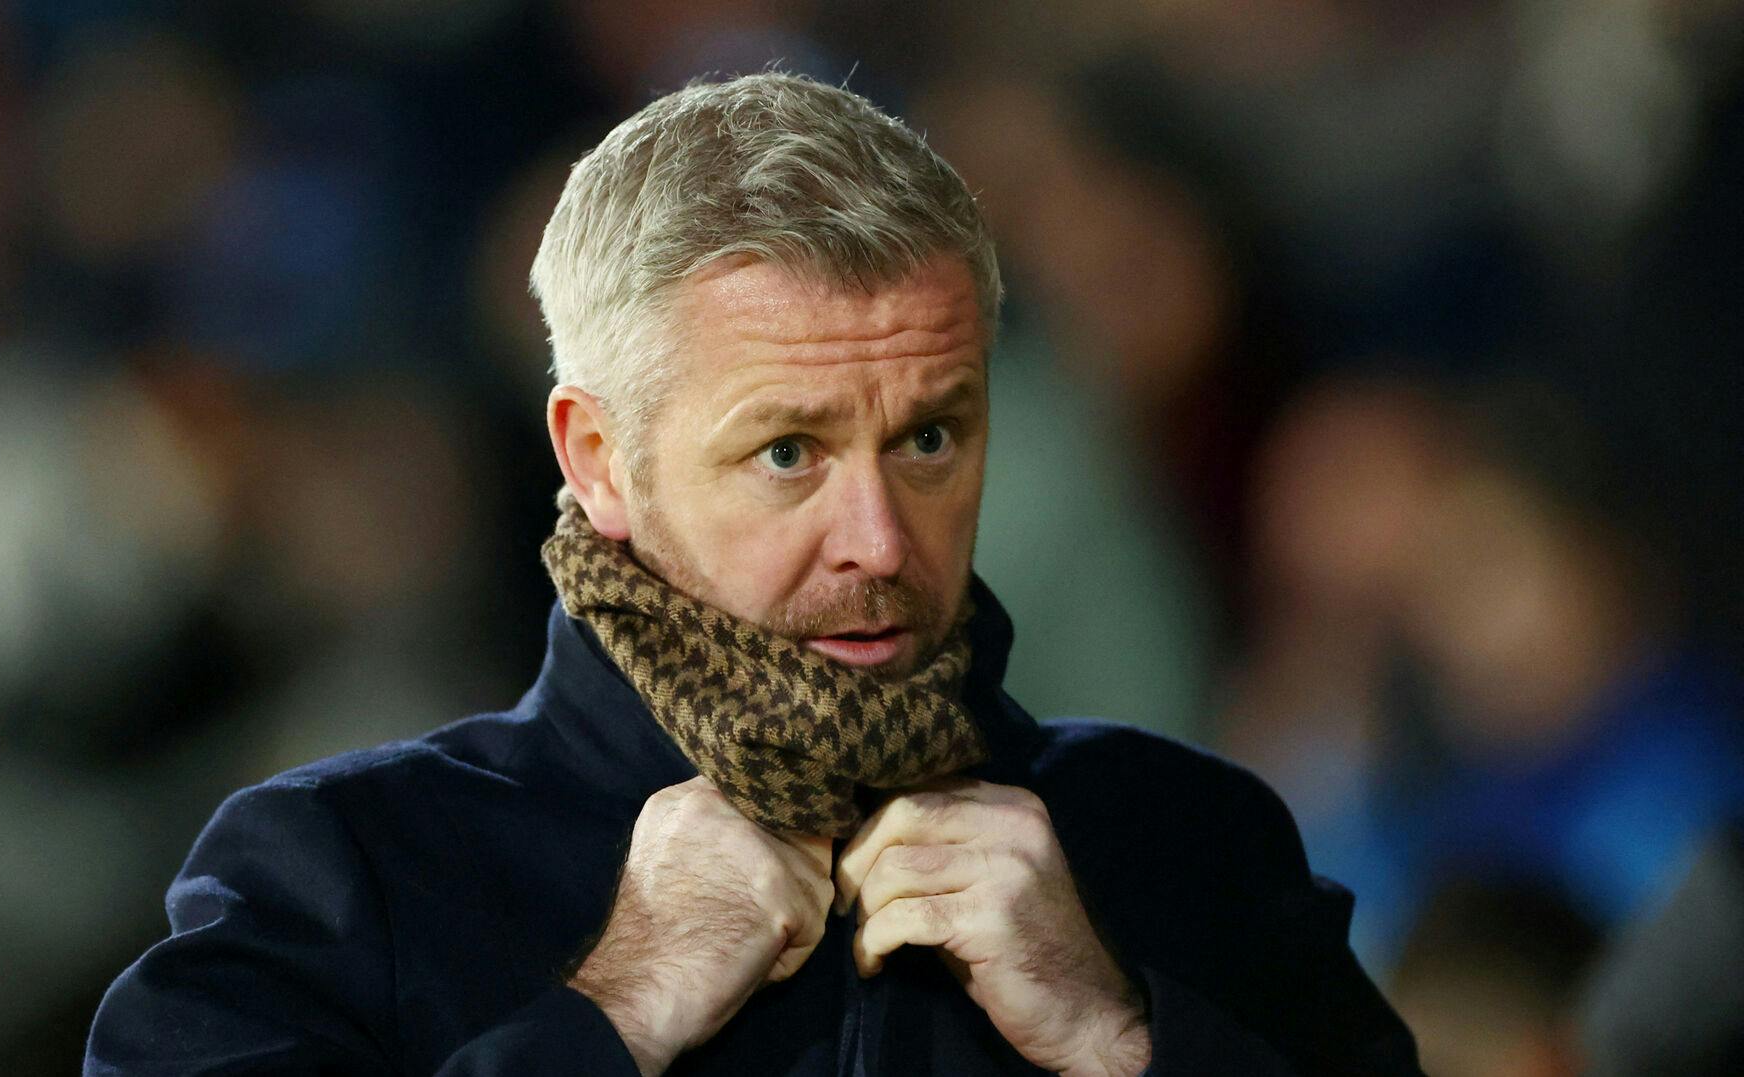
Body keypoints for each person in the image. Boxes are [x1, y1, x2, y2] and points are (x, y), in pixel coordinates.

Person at [85, 72, 1419, 1075]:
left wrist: (1126, 1035)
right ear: (600, 460)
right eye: (788, 450)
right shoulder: (347, 877)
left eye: (932, 437)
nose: (882, 539)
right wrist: (610, 1010)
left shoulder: (1190, 847)